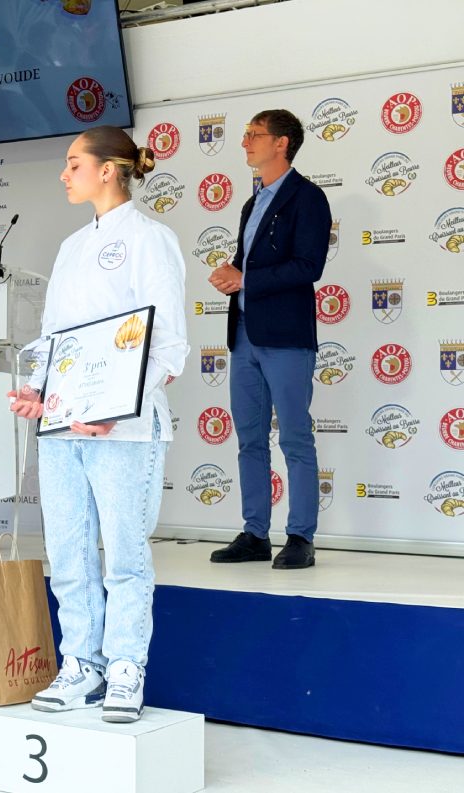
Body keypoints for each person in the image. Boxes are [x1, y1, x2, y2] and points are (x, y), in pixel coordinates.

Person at [10, 126, 188, 722]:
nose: (63, 174)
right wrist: (41, 390)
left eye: (73, 163)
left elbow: (168, 348)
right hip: (64, 429)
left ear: (110, 169)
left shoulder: (150, 239)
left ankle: (124, 668)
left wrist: (115, 407)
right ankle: (79, 663)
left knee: (126, 557)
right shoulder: (69, 247)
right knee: (67, 552)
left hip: (125, 432)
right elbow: (58, 340)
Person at [208, 109, 331, 570]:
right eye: (246, 134)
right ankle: (255, 533)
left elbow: (308, 267)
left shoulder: (308, 197)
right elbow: (250, 266)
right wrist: (231, 276)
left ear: (282, 143)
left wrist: (245, 280)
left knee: (295, 438)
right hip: (244, 335)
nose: (245, 142)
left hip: (285, 337)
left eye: (255, 135)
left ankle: (300, 536)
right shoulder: (252, 201)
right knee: (250, 439)